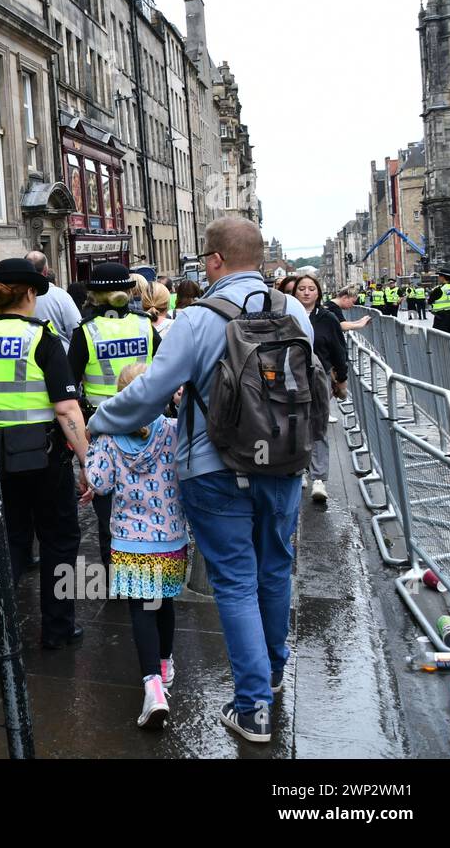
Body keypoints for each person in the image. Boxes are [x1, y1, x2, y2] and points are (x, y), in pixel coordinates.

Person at [88, 217, 314, 745]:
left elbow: (149, 394)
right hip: (283, 462)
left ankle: (253, 705)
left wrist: (99, 421)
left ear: (213, 260)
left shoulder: (196, 319)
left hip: (214, 472)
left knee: (234, 582)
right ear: (258, 259)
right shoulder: (295, 310)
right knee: (275, 572)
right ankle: (273, 678)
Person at [0, 258, 92, 659]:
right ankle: (57, 628)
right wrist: (88, 462)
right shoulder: (42, 337)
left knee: (9, 541)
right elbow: (67, 410)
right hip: (44, 458)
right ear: (31, 294)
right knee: (59, 540)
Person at [85, 362, 187, 730]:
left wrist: (95, 436)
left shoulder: (109, 437)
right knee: (165, 601)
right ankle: (166, 662)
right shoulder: (174, 431)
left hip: (130, 541)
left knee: (142, 608)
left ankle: (152, 688)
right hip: (172, 537)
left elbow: (98, 481)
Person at [69, 264, 160, 568]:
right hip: (148, 425)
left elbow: (69, 385)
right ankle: (150, 562)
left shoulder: (86, 332)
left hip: (103, 429)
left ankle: (117, 576)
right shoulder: (145, 325)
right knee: (149, 499)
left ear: (94, 296)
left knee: (108, 507)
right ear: (130, 290)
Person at [290, 275, 347, 506]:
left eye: (311, 288)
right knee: (295, 425)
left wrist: (341, 378)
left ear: (318, 293)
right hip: (292, 377)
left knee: (319, 425)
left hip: (319, 376)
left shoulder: (327, 318)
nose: (306, 292)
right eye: (301, 288)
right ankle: (300, 469)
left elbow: (338, 349)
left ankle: (319, 479)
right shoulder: (287, 317)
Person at [24, 250, 81, 352]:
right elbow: (76, 332)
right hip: (61, 358)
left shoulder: (17, 296)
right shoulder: (61, 295)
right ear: (45, 271)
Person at [429, 271, 450, 336]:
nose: (438, 278)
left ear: (443, 277)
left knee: (440, 340)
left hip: (442, 318)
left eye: (439, 276)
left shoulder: (439, 289)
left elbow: (430, 301)